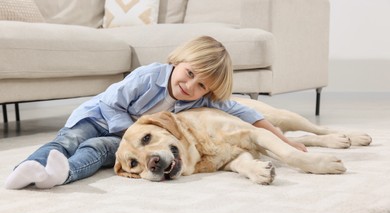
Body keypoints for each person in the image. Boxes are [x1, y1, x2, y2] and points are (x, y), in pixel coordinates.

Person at [4, 36, 306, 190]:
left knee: (94, 152)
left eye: (201, 85)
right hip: (97, 117)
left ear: (208, 92)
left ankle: (60, 175)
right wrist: (132, 131)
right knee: (69, 140)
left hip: (126, 142)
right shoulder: (148, 76)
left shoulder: (196, 100)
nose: (189, 86)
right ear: (178, 61)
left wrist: (283, 139)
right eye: (188, 73)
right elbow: (111, 104)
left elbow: (243, 111)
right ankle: (27, 167)